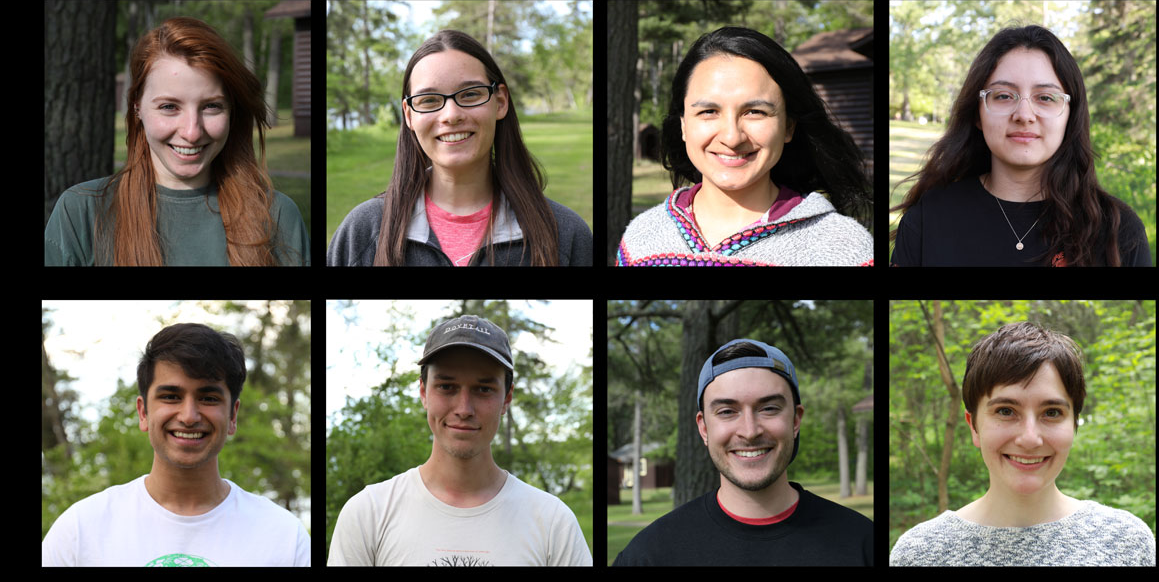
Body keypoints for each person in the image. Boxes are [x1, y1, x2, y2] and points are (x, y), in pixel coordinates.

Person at [44, 16, 310, 266]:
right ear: (137, 108)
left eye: (211, 106)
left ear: (232, 110)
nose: (192, 132)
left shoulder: (277, 216)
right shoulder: (81, 213)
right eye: (170, 106)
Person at [328, 315, 591, 565]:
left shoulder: (553, 522)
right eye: (447, 387)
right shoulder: (368, 514)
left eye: (484, 389)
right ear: (423, 392)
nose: (464, 409)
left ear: (507, 398)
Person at [42, 323, 311, 566]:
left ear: (232, 416)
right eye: (171, 396)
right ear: (143, 412)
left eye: (208, 398)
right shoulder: (80, 531)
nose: (189, 416)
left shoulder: (283, 537)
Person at [889, 322, 1155, 566]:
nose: (1030, 439)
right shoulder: (919, 553)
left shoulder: (1128, 543)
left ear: (1074, 424)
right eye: (1006, 411)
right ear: (973, 425)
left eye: (1051, 412)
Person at [890, 25, 1150, 266]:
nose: (1024, 114)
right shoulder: (928, 219)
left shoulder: (1119, 230)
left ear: (1071, 115)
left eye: (1045, 97)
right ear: (977, 113)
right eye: (1003, 96)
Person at [328, 30, 592, 266]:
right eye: (429, 100)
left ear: (500, 102)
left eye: (469, 94)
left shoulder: (566, 234)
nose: (451, 115)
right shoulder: (362, 230)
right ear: (408, 115)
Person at [616, 26, 873, 266]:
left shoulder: (845, 247)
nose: (732, 137)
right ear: (683, 125)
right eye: (708, 111)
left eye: (754, 112)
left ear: (788, 127)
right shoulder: (641, 237)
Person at [613, 339, 873, 565]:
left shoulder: (862, 543)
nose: (750, 431)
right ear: (704, 428)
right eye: (727, 411)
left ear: (795, 420)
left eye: (769, 408)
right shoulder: (649, 555)